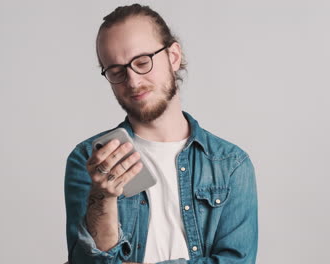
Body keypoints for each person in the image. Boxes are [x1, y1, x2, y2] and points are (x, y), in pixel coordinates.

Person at [64, 4, 258, 264]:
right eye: (116, 71)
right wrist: (104, 198)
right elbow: (85, 262)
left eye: (142, 62)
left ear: (173, 56)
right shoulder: (88, 159)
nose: (132, 81)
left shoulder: (230, 164)